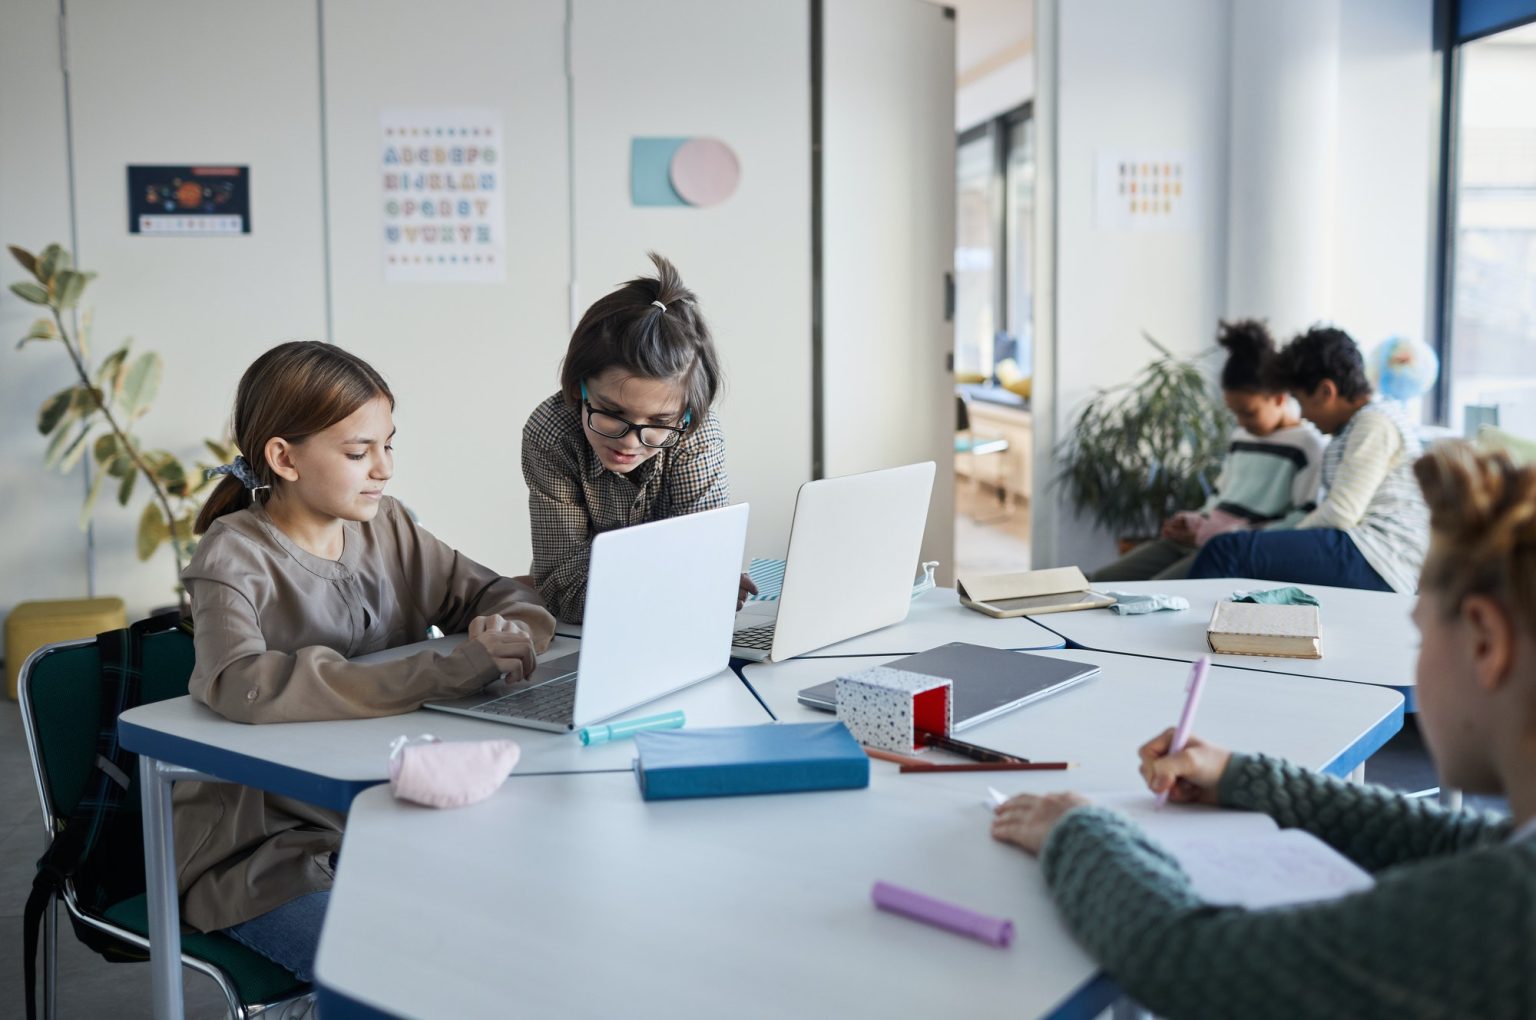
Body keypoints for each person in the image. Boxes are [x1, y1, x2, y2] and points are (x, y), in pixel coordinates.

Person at [992, 443, 1536, 1018]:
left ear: (1486, 643)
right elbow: (1451, 842)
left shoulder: (1511, 907)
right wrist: (1239, 777)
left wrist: (1077, 832)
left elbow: (1196, 962)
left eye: (1421, 637)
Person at [178, 340, 556, 982]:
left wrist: (504, 628)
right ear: (283, 457)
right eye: (359, 453)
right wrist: (450, 668)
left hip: (392, 819)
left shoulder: (392, 528)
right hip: (268, 857)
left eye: (388, 445)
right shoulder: (231, 557)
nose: (383, 469)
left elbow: (502, 594)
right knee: (404, 972)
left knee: (528, 925)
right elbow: (240, 684)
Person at [522, 252, 752, 622]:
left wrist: (704, 577)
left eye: (659, 422)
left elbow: (710, 565)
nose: (630, 442)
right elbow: (565, 590)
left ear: (687, 413)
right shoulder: (551, 434)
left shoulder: (695, 433)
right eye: (611, 414)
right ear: (579, 387)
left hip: (671, 624)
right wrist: (686, 577)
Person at [1189, 325, 1429, 592]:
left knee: (1226, 551)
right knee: (1234, 552)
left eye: (1301, 401)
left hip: (1381, 556)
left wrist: (1276, 539)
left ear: (1326, 392)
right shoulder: (1355, 427)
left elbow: (1340, 513)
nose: (1303, 415)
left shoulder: (1374, 423)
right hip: (1363, 549)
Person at [1092, 320, 1326, 582]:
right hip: (1200, 538)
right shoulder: (1241, 437)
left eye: (1248, 412)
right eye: (1234, 412)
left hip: (1229, 550)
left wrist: (1223, 535)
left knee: (1154, 594)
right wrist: (1194, 520)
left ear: (1279, 398)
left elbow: (1300, 522)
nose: (1240, 422)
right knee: (1100, 582)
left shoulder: (1308, 446)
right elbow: (1219, 497)